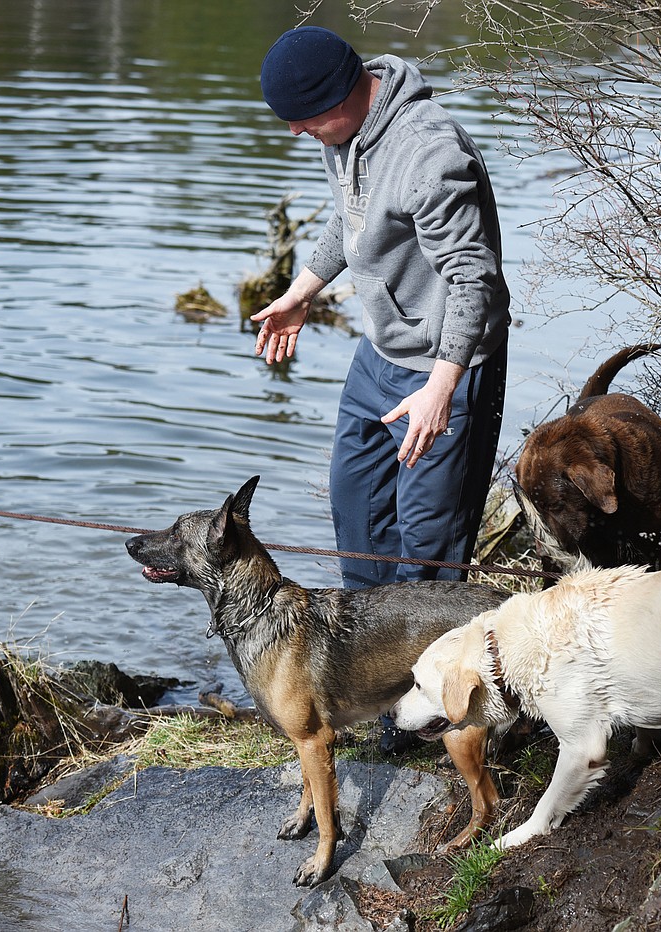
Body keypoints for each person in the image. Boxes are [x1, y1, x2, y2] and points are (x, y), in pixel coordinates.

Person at [253, 26, 512, 594]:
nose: (297, 132)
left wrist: (443, 390)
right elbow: (351, 216)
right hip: (379, 356)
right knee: (358, 519)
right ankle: (369, 675)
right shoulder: (342, 134)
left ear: (341, 93)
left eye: (302, 118)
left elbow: (475, 281)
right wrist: (302, 293)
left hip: (448, 368)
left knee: (426, 556)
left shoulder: (428, 154)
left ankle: (427, 674)